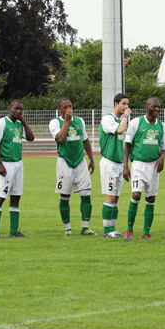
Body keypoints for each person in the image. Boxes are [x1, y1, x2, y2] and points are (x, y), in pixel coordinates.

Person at [123, 97, 165, 240]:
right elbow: (127, 144)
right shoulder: (137, 122)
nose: (157, 109)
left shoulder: (161, 125)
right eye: (154, 106)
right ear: (146, 107)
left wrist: (161, 159)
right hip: (138, 165)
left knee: (151, 198)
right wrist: (125, 166)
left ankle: (145, 233)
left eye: (159, 107)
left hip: (154, 166)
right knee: (136, 195)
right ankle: (129, 230)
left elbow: (164, 148)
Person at [49, 98, 96, 236]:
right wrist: (67, 121)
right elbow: (60, 139)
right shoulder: (55, 122)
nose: (69, 109)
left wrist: (91, 159)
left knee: (86, 194)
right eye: (65, 107)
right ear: (59, 109)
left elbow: (85, 140)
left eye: (70, 106)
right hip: (65, 162)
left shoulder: (80, 121)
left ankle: (85, 227)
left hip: (80, 161)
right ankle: (67, 228)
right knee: (65, 196)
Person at [0, 100, 35, 239]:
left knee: (16, 197)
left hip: (18, 164)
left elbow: (31, 138)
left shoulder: (19, 125)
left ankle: (14, 231)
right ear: (10, 108)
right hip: (6, 163)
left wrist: (24, 121)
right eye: (16, 109)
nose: (19, 111)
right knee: (0, 197)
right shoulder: (1, 123)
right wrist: (0, 164)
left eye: (21, 109)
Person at [99, 93, 132, 239]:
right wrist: (125, 117)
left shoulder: (122, 120)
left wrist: (125, 164)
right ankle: (107, 230)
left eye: (127, 104)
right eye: (123, 104)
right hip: (109, 162)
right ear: (116, 104)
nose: (126, 107)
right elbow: (119, 130)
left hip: (119, 163)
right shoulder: (107, 119)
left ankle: (113, 227)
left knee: (116, 198)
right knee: (110, 197)